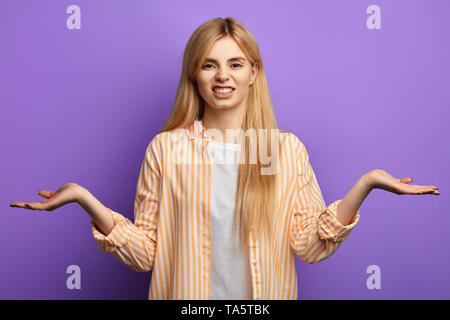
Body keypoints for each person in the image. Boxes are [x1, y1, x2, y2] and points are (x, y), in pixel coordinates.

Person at [9, 17, 440, 300]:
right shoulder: (168, 149)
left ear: (253, 72)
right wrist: (86, 199)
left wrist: (365, 184)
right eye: (209, 65)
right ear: (194, 75)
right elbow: (147, 254)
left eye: (235, 64)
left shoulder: (277, 150)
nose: (222, 76)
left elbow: (308, 245)